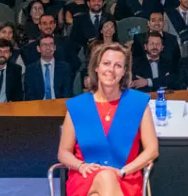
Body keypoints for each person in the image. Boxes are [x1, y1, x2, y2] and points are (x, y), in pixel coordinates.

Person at [59, 42, 160, 196]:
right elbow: (63, 152)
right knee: (106, 177)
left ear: (124, 72)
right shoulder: (77, 106)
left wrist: (123, 171)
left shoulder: (138, 103)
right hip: (84, 177)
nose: (111, 70)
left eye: (118, 65)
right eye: (106, 63)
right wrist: (80, 166)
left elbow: (152, 150)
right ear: (96, 67)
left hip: (125, 177)